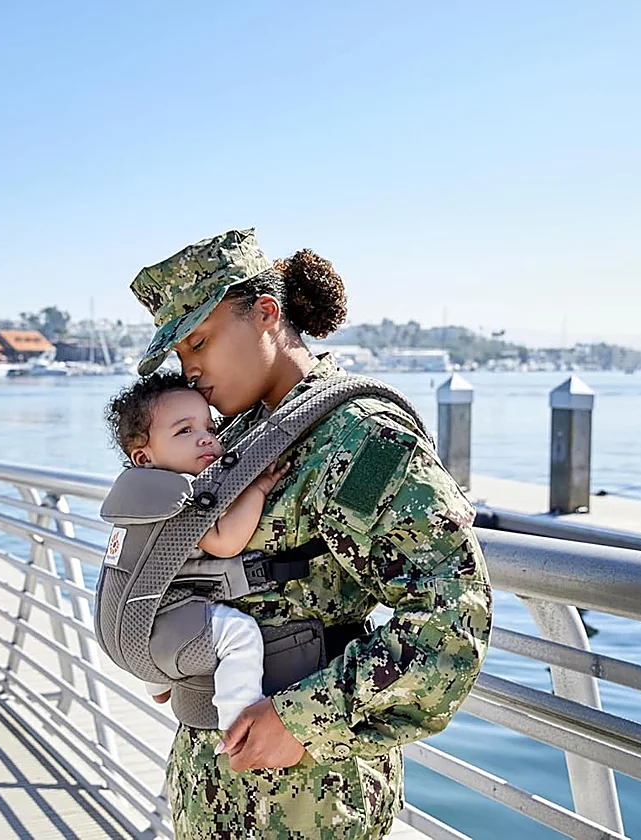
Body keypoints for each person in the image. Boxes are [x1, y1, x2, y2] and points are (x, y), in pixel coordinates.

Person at [129, 228, 493, 839]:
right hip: (212, 785)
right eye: (180, 357)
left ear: (265, 314)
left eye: (198, 342)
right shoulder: (241, 435)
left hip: (305, 802)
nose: (189, 373)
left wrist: (301, 720)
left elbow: (451, 616)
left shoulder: (359, 440)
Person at [104, 372, 288, 730]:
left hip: (130, 626)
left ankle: (158, 685)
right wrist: (258, 489)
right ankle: (238, 724)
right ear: (144, 457)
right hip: (159, 627)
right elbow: (225, 541)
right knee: (241, 635)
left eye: (210, 427)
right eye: (184, 431)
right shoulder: (176, 496)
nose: (206, 438)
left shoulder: (140, 495)